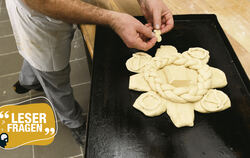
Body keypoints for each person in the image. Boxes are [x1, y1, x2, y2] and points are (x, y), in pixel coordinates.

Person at [6, 0, 174, 146]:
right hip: (42, 13)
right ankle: (73, 121)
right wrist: (112, 19)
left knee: (38, 62)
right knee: (50, 70)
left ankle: (28, 80)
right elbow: (42, 2)